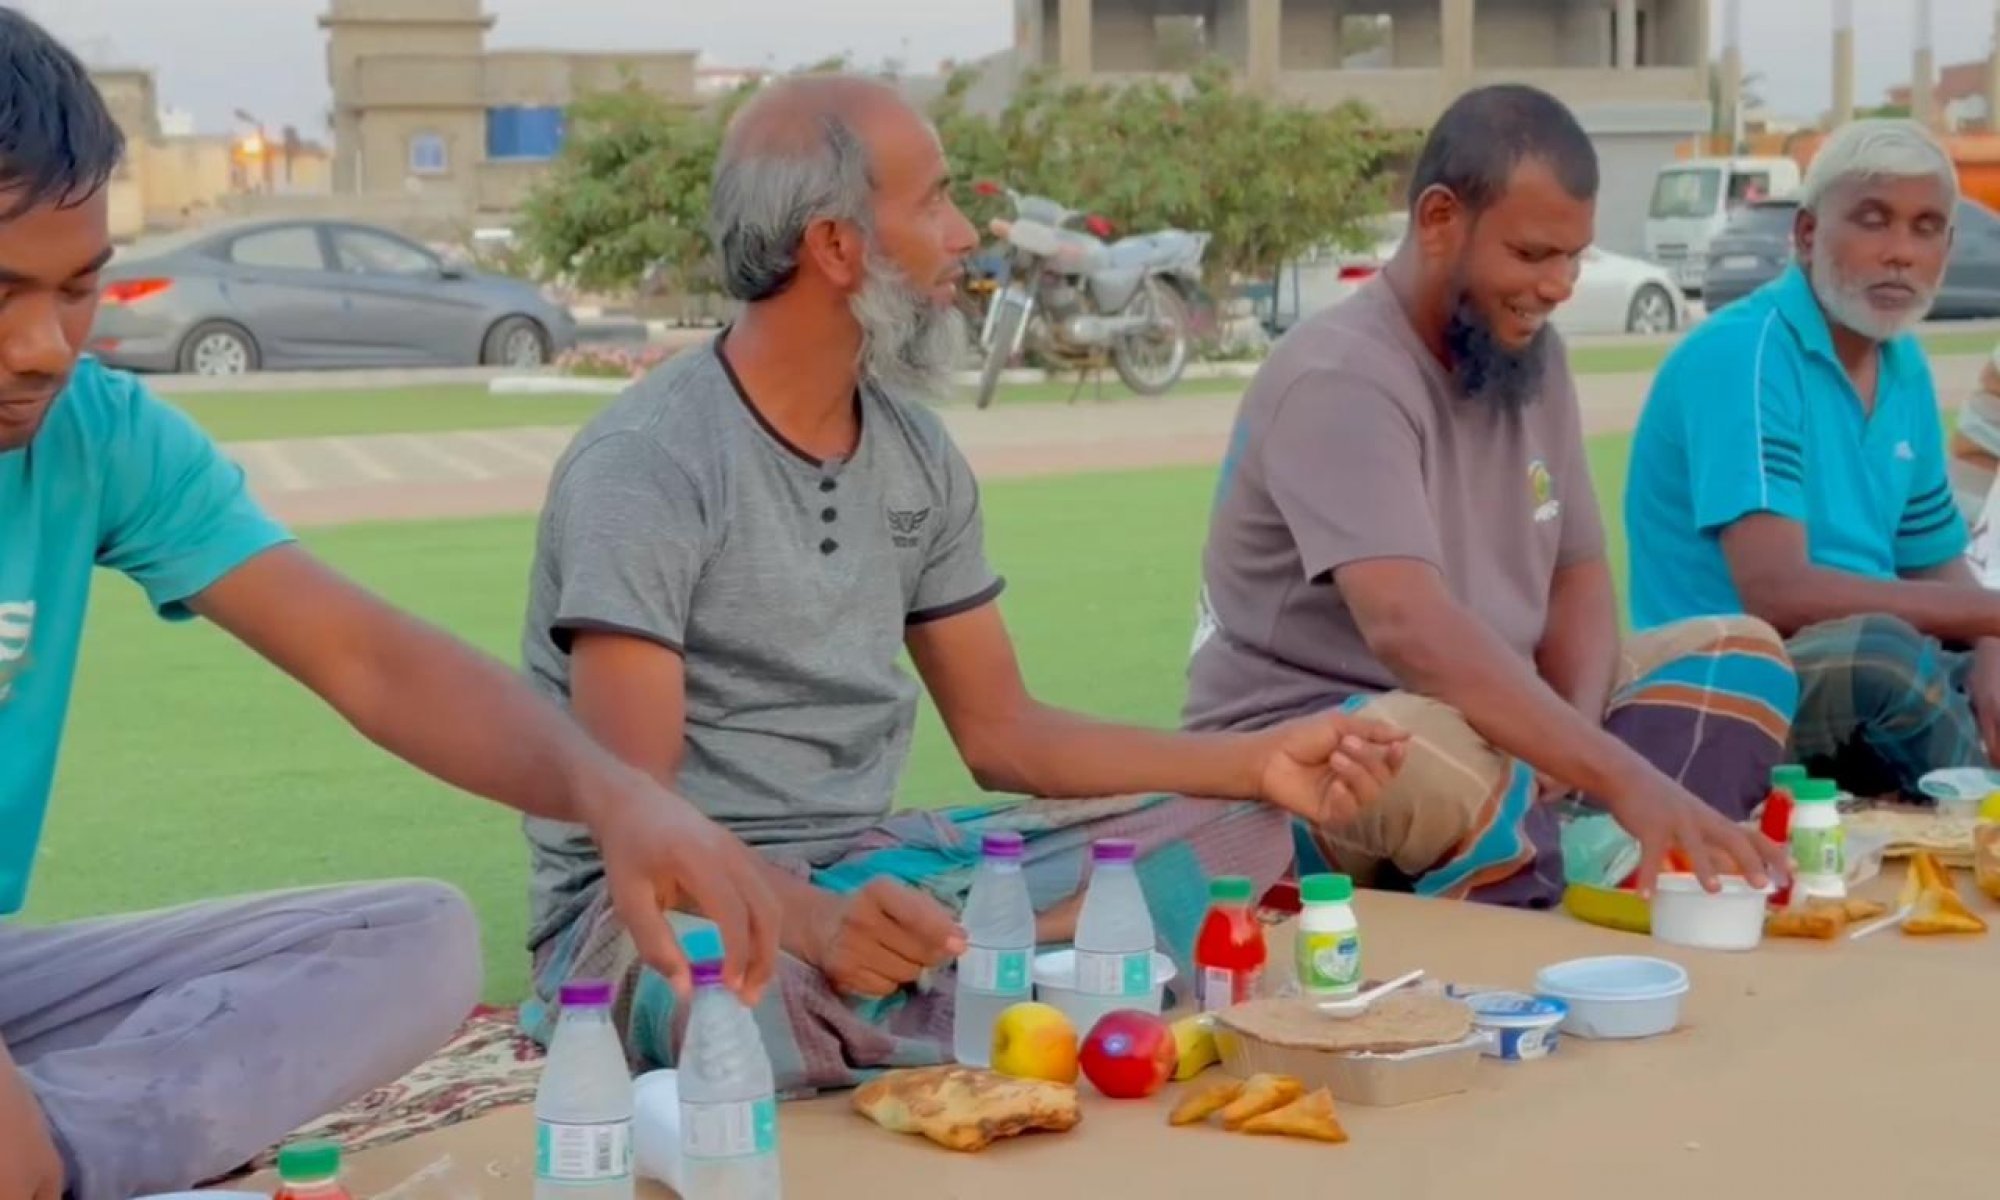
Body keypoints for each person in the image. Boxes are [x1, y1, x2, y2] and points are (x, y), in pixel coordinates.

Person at [0, 15, 781, 1200]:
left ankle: (59, 1150)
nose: (43, 347)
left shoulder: (93, 434)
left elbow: (363, 655)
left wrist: (611, 793)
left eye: (76, 289)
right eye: (1, 293)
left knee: (410, 942)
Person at [517, 73, 1408, 1094]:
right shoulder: (648, 464)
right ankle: (1006, 984)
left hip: (866, 864)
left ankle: (951, 984)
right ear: (837, 246)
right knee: (731, 996)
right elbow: (638, 812)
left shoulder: (916, 453)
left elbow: (1003, 733)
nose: (964, 236)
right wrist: (813, 924)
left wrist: (1253, 762)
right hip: (658, 904)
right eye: (935, 200)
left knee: (1235, 830)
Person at [1183, 83, 1795, 909]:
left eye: (1573, 257)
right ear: (1440, 219)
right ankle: (1551, 914)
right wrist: (1615, 772)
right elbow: (1409, 629)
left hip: (1490, 715)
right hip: (1324, 743)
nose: (1559, 285)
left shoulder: (1534, 357)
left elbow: (1577, 573)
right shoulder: (1341, 376)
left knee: (1739, 655)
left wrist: (1571, 738)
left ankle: (1593, 855)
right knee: (1430, 752)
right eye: (1534, 255)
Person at [1626, 118, 2000, 799]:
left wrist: (1992, 647)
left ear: (1947, 248)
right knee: (1884, 658)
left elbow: (1935, 560)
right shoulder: (1746, 354)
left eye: (1925, 229)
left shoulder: (1903, 366)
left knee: (1924, 656)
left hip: (1870, 667)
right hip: (1726, 680)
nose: (1899, 252)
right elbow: (1779, 593)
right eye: (1872, 220)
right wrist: (1987, 618)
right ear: (1806, 234)